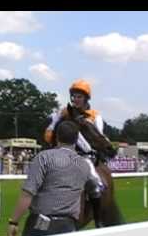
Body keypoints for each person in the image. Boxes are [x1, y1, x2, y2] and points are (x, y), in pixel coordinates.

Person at [7, 121, 97, 236]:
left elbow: (28, 193)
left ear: (56, 137)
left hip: (40, 225)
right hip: (67, 227)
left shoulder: (44, 157)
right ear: (77, 140)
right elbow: (95, 191)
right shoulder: (84, 165)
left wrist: (13, 221)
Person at [43, 79, 108, 214]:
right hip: (61, 152)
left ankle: (98, 216)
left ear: (85, 98)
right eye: (74, 96)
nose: (76, 99)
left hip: (84, 156)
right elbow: (50, 129)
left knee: (94, 183)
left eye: (79, 97)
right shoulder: (63, 112)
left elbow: (98, 137)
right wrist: (50, 134)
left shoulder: (95, 116)